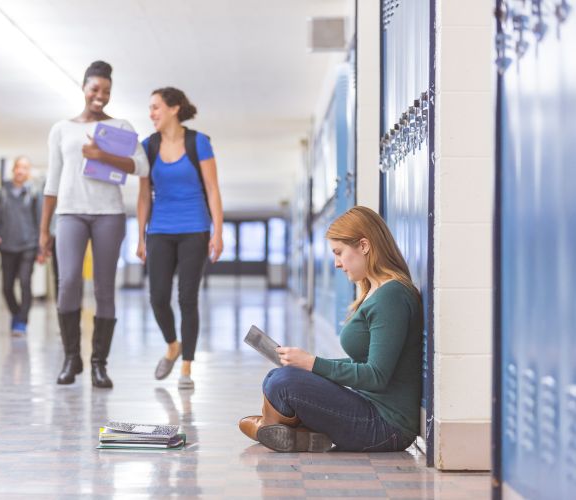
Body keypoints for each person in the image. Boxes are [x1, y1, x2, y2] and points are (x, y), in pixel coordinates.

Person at [238, 206, 422, 452]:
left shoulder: (392, 295)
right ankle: (293, 432)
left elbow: (376, 376)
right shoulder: (375, 292)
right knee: (277, 377)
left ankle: (272, 428)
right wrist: (309, 364)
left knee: (283, 382)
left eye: (339, 253)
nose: (336, 264)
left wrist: (312, 364)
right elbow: (365, 363)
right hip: (368, 407)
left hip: (386, 427)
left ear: (364, 246)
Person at [40, 61, 149, 389]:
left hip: (108, 215)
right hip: (70, 212)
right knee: (69, 280)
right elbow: (51, 182)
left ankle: (99, 364)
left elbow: (141, 166)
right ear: (84, 88)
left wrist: (102, 155)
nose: (100, 96)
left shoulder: (121, 126)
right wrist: (43, 229)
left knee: (104, 287)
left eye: (106, 91)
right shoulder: (61, 129)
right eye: (94, 89)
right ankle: (71, 357)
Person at [136, 87, 224, 390]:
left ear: (174, 109)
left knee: (187, 297)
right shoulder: (147, 146)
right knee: (157, 297)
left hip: (194, 228)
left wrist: (218, 232)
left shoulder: (198, 142)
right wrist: (139, 236)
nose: (151, 114)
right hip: (160, 229)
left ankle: (186, 366)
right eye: (150, 108)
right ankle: (172, 345)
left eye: (156, 107)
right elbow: (144, 195)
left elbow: (212, 189)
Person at [0, 156, 41, 336]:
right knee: (7, 287)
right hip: (7, 245)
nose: (20, 171)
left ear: (29, 172)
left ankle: (22, 322)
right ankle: (16, 314)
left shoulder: (34, 193)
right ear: (13, 170)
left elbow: (40, 220)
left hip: (29, 245)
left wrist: (41, 247)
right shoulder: (1, 192)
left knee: (25, 282)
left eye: (25, 168)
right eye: (18, 167)